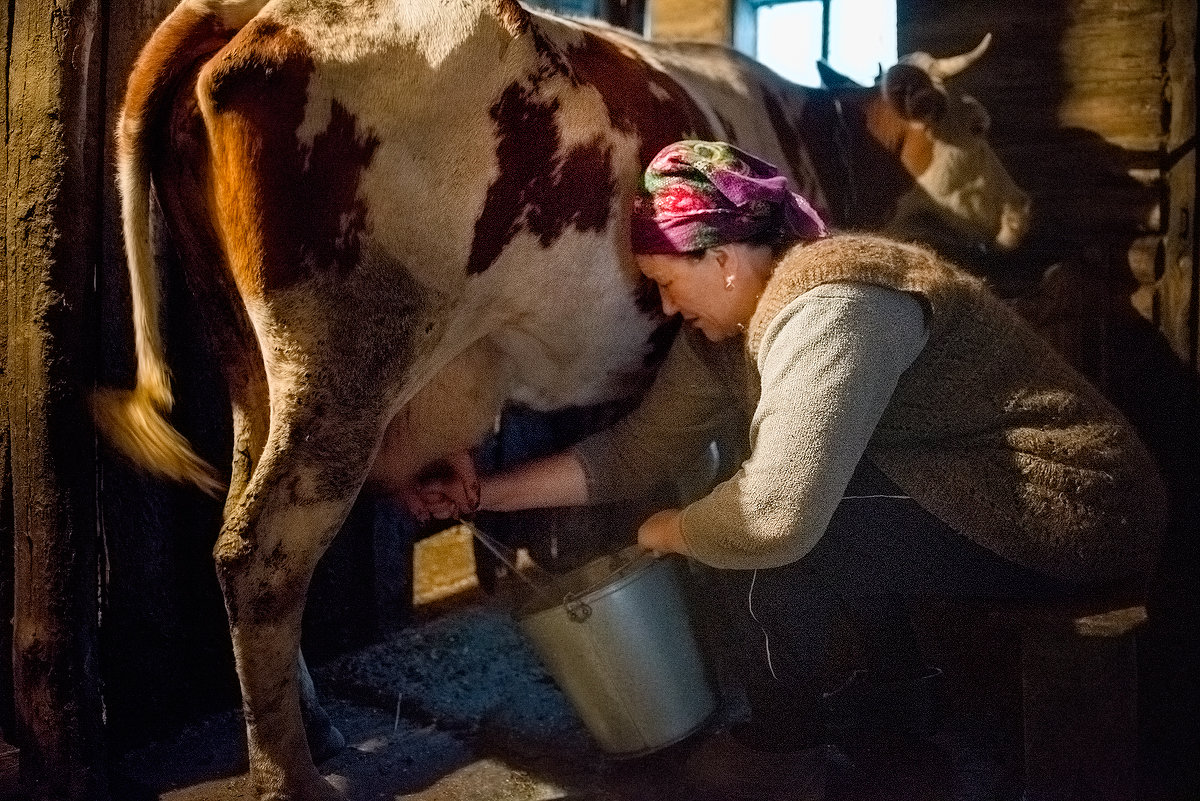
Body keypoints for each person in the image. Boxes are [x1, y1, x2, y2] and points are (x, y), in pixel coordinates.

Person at [407, 140, 1167, 800]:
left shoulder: (835, 301)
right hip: (982, 486)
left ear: (725, 260)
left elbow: (772, 513)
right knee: (788, 512)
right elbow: (634, 451)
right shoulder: (728, 332)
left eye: (669, 281)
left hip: (1078, 500)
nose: (667, 307)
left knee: (765, 537)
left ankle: (783, 757)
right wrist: (484, 493)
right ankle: (900, 729)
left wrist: (675, 529)